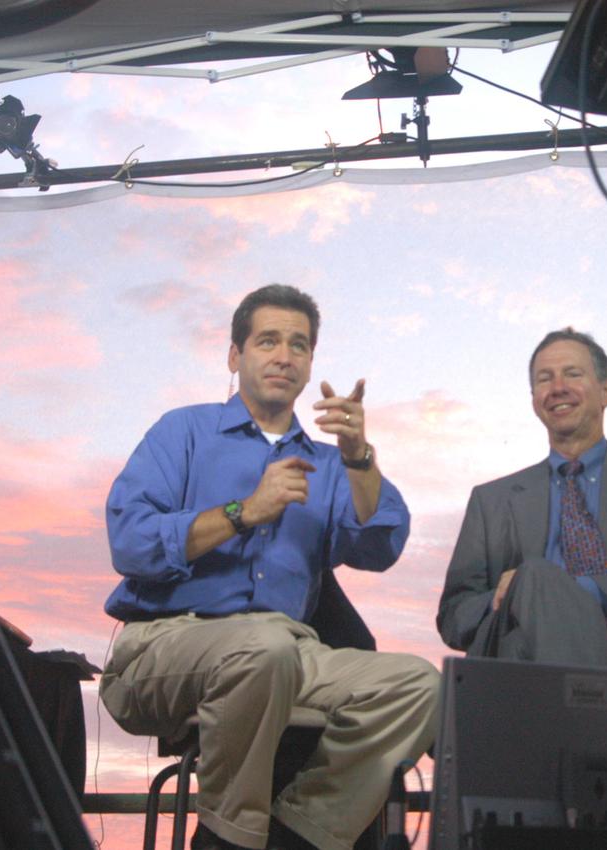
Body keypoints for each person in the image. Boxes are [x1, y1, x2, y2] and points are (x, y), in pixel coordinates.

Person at [99, 285, 438, 850]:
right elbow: (129, 542)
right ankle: (228, 839)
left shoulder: (331, 464)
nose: (285, 355)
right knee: (261, 648)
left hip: (288, 651)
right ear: (235, 356)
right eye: (268, 341)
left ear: (310, 365)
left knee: (416, 685)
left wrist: (359, 457)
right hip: (165, 646)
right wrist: (243, 512)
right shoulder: (183, 432)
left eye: (299, 345)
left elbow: (381, 545)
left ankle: (298, 834)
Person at [437, 328, 607, 672]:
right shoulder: (490, 501)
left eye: (573, 373)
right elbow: (453, 616)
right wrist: (517, 596)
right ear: (534, 401)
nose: (558, 388)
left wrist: (581, 591)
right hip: (515, 657)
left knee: (537, 578)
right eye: (545, 379)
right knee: (534, 581)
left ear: (606, 391)